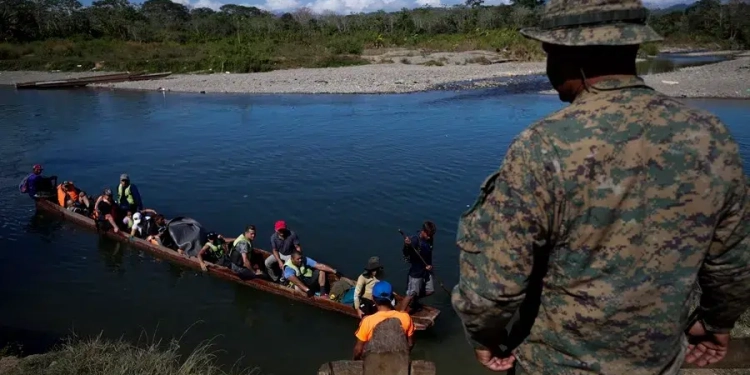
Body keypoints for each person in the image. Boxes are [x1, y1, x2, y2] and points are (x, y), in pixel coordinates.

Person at [451, 0, 750, 373]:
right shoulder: (711, 136)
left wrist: (485, 337)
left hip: (556, 362)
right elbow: (732, 261)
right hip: (657, 361)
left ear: (565, 55)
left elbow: (496, 284)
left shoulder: (544, 145)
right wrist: (718, 322)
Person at [352, 281, 415, 360]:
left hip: (374, 361)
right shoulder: (405, 317)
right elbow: (410, 343)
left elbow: (358, 350)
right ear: (392, 297)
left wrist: (356, 360)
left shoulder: (367, 321)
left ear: (373, 298)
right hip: (397, 360)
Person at [400, 221, 436, 312]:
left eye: (431, 235)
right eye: (428, 234)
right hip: (416, 272)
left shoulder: (430, 239)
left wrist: (430, 265)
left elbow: (429, 254)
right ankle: (400, 314)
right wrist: (406, 245)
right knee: (411, 293)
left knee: (430, 290)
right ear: (423, 231)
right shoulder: (415, 240)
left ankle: (415, 300)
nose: (429, 236)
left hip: (426, 270)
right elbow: (406, 252)